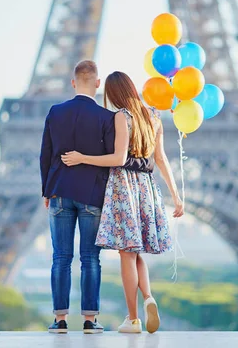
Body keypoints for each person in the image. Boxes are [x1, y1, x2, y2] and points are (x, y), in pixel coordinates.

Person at [61, 71, 184, 334]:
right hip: (147, 189)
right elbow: (161, 159)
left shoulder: (121, 117)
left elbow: (117, 159)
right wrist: (175, 195)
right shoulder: (154, 116)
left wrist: (83, 157)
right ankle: (148, 297)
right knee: (136, 251)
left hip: (123, 188)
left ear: (114, 93)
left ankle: (133, 319)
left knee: (126, 254)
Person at [40, 61, 153, 334]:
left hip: (60, 192)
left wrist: (47, 190)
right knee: (90, 258)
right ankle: (90, 320)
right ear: (98, 84)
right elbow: (115, 160)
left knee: (60, 257)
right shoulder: (107, 117)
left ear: (73, 82)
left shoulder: (55, 112)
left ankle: (60, 319)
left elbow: (45, 154)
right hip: (92, 195)